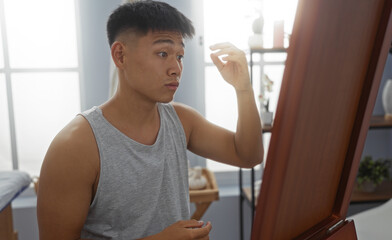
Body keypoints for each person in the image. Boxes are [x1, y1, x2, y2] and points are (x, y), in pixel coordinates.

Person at [37, 1, 263, 239]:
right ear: (120, 55)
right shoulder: (74, 146)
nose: (176, 68)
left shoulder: (182, 120)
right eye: (163, 53)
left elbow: (247, 155)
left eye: (180, 56)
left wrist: (243, 89)